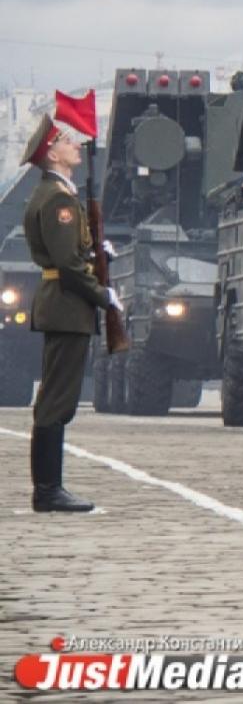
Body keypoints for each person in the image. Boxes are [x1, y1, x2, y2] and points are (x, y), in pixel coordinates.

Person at [21, 114, 122, 513]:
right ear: (52, 154)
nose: (76, 145)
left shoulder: (57, 194)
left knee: (57, 398)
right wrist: (103, 295)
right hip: (66, 305)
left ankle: (49, 488)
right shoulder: (58, 199)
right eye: (66, 141)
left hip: (63, 304)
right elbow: (66, 264)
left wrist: (97, 253)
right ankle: (48, 490)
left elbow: (70, 253)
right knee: (57, 401)